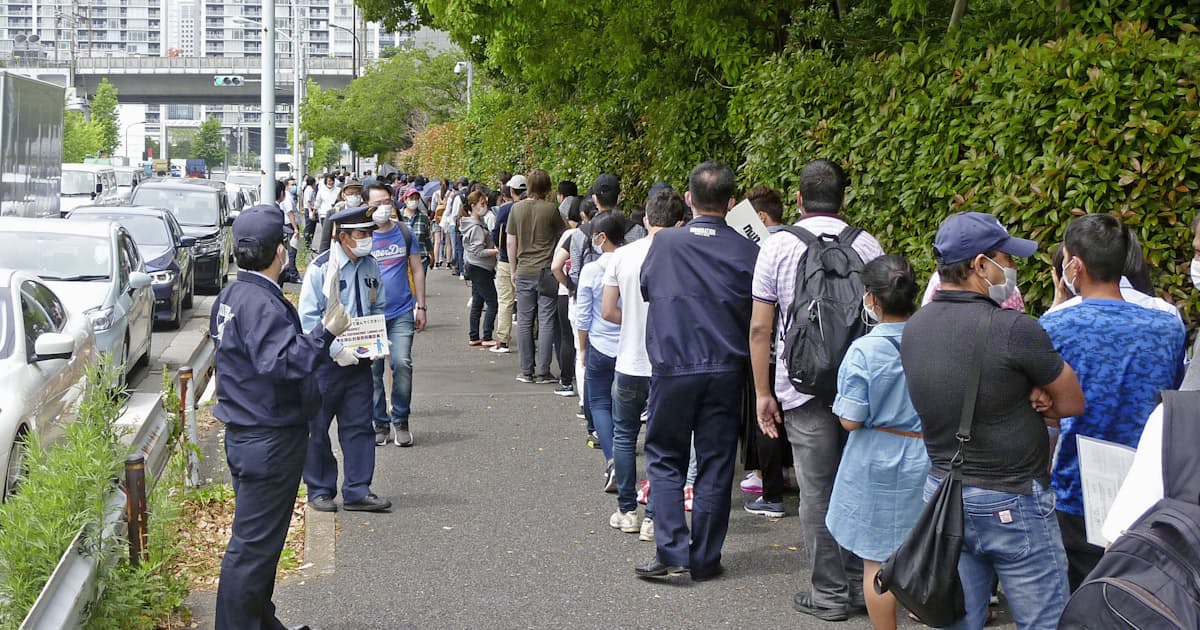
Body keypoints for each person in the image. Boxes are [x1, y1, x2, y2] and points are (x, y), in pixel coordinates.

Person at [901, 211, 1085, 630]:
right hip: (1012, 497)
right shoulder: (1014, 328)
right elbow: (1073, 402)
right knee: (1046, 621)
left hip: (943, 494)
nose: (1013, 268)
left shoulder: (915, 328)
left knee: (959, 618)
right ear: (980, 265)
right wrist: (1037, 398)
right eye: (1007, 258)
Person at [750, 159, 882, 620]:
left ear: (798, 199)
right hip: (859, 387)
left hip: (800, 387)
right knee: (859, 484)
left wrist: (763, 393)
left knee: (817, 490)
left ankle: (828, 592)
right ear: (844, 198)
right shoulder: (867, 244)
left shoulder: (778, 245)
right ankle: (862, 586)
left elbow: (760, 329)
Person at [211, 205, 351, 630]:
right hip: (268, 437)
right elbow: (284, 361)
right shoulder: (260, 302)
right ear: (278, 252)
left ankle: (261, 623)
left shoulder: (232, 295)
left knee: (260, 546)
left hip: (248, 432)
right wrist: (326, 333)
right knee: (252, 550)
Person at [1039, 214, 1186, 589]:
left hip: (1074, 486)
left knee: (1081, 597)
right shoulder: (1168, 326)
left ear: (1075, 265)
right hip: (1147, 486)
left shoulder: (1054, 326)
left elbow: (1041, 403)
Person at [634, 161, 758, 581]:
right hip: (726, 368)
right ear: (731, 202)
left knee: (665, 456)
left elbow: (647, 288)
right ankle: (705, 556)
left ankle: (671, 550)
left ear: (688, 199)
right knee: (716, 462)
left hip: (673, 364)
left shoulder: (666, 243)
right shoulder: (747, 249)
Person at [823, 255, 929, 630]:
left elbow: (851, 419)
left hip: (876, 456)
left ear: (871, 298)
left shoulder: (864, 350)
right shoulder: (933, 341)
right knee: (927, 551)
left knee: (877, 562)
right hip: (927, 455)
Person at [602, 187, 687, 543]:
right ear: (680, 222)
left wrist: (636, 322)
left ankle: (626, 511)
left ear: (647, 218)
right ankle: (653, 516)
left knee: (624, 436)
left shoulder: (622, 256)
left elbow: (607, 311)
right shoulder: (684, 257)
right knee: (663, 441)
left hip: (628, 361)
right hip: (668, 364)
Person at [298, 205, 392, 513]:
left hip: (361, 360)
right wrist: (335, 349)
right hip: (326, 363)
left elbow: (377, 305)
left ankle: (357, 489)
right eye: (361, 234)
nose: (367, 240)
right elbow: (307, 318)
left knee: (359, 425)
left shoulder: (370, 265)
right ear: (343, 237)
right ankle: (320, 489)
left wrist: (378, 338)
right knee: (317, 427)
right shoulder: (322, 268)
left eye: (368, 234)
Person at [365, 184, 427, 447]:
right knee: (373, 371)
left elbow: (417, 269)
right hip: (370, 315)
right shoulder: (362, 236)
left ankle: (400, 419)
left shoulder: (404, 232)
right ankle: (380, 423)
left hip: (401, 311)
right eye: (376, 203)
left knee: (402, 363)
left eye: (386, 202)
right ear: (367, 207)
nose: (383, 207)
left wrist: (421, 306)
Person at [576, 212, 626, 493]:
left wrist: (583, 348)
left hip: (600, 345)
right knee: (627, 408)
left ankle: (613, 461)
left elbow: (583, 317)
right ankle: (625, 459)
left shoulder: (592, 270)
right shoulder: (634, 263)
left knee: (599, 404)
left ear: (602, 237)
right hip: (630, 347)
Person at [507, 169, 565, 383]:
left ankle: (526, 370)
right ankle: (543, 371)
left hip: (523, 269)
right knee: (546, 320)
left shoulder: (516, 209)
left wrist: (513, 270)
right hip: (546, 271)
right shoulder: (551, 210)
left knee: (524, 321)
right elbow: (563, 236)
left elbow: (510, 242)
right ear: (548, 188)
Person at [550, 197, 584, 397]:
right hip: (593, 293)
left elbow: (556, 265)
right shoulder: (599, 234)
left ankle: (566, 381)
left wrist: (568, 285)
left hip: (567, 292)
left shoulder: (570, 235)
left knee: (567, 338)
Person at [489, 175, 526, 354]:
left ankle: (503, 340)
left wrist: (499, 247)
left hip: (505, 258)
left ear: (511, 191)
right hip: (528, 259)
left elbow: (496, 232)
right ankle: (531, 336)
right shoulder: (533, 208)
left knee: (505, 300)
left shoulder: (505, 210)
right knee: (529, 300)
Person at [461, 189, 499, 346]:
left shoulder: (471, 224)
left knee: (477, 302)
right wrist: (496, 251)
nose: (485, 207)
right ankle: (487, 336)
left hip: (474, 266)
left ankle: (474, 336)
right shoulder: (476, 227)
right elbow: (478, 251)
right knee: (493, 302)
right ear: (473, 205)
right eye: (482, 204)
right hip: (481, 267)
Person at [402, 187, 435, 273]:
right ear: (405, 200)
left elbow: (427, 238)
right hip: (403, 259)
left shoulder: (423, 218)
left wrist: (432, 255)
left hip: (421, 257)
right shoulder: (399, 216)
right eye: (411, 198)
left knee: (419, 281)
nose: (414, 201)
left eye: (416, 199)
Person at [275, 180, 302, 284]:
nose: (294, 186)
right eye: (292, 185)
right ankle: (292, 274)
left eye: (295, 184)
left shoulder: (289, 197)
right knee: (292, 251)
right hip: (289, 226)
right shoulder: (287, 198)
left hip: (289, 226)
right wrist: (295, 229)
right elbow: (290, 213)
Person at [431, 178, 451, 268]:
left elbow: (432, 208)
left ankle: (436, 262)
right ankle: (448, 262)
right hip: (447, 220)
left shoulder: (435, 194)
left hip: (437, 219)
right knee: (448, 242)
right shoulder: (450, 194)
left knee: (437, 241)